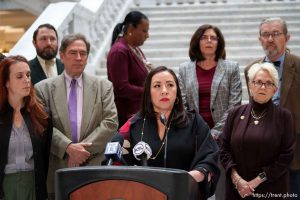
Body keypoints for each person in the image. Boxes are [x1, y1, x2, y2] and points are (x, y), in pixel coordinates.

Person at [35, 33, 118, 199]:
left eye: (83, 53)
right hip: (58, 168)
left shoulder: (104, 86)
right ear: (62, 56)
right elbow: (42, 126)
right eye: (73, 53)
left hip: (93, 168)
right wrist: (68, 148)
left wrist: (80, 152)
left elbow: (110, 122)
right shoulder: (42, 89)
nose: (79, 58)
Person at [119, 66, 220, 199]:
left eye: (170, 85)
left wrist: (193, 176)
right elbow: (115, 160)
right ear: (148, 93)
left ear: (177, 92)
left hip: (184, 193)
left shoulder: (194, 122)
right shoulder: (133, 125)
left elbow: (209, 155)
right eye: (157, 86)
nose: (164, 91)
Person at [178, 24, 242, 200]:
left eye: (213, 38)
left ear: (219, 43)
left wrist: (214, 132)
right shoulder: (184, 69)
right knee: (195, 183)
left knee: (221, 185)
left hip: (223, 136)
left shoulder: (231, 68)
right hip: (193, 136)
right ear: (197, 42)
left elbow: (234, 105)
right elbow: (182, 104)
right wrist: (199, 132)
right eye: (204, 37)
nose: (209, 41)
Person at [221, 62, 295, 199]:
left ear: (275, 89)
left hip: (271, 189)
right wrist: (237, 180)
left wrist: (255, 182)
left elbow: (286, 155)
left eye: (268, 83)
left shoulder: (284, 117)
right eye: (258, 82)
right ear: (250, 86)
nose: (263, 87)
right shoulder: (234, 114)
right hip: (237, 190)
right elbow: (224, 149)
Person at [244, 17, 300, 196]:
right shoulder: (251, 70)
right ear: (260, 39)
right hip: (262, 156)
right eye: (265, 34)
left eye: (276, 34)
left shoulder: (299, 65)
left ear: (287, 37)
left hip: (295, 153)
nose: (270, 39)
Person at [0, 55, 52, 200]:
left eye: (28, 75)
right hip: (5, 186)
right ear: (6, 82)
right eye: (19, 76)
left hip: (34, 185)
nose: (27, 80)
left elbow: (44, 157)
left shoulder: (42, 115)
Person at [107, 10, 152, 127]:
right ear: (131, 29)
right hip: (127, 117)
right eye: (144, 31)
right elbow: (121, 88)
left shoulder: (133, 48)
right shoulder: (119, 51)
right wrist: (148, 91)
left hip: (139, 112)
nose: (147, 36)